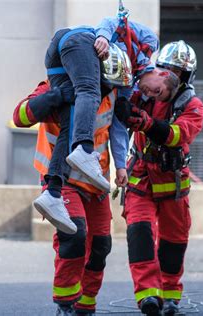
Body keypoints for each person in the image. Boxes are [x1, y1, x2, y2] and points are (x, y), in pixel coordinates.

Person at [33, 11, 160, 235]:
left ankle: (52, 193)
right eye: (155, 90)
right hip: (77, 40)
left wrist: (120, 165)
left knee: (70, 124)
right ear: (158, 73)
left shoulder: (127, 85)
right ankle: (84, 148)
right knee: (88, 91)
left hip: (59, 63)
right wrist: (102, 36)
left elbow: (119, 128)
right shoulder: (148, 43)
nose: (150, 93)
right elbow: (116, 22)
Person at [15, 80, 128, 315]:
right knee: (74, 236)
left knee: (100, 246)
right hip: (61, 180)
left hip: (96, 184)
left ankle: (85, 305)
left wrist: (121, 165)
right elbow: (20, 117)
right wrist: (55, 96)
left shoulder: (111, 94)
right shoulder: (54, 85)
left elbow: (115, 130)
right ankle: (65, 305)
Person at [113, 40, 203, 316]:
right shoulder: (143, 95)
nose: (168, 78)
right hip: (140, 179)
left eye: (176, 73)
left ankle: (171, 296)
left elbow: (176, 135)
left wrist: (147, 124)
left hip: (173, 185)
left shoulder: (193, 106)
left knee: (173, 243)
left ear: (186, 78)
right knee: (139, 236)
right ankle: (148, 296)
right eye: (164, 71)